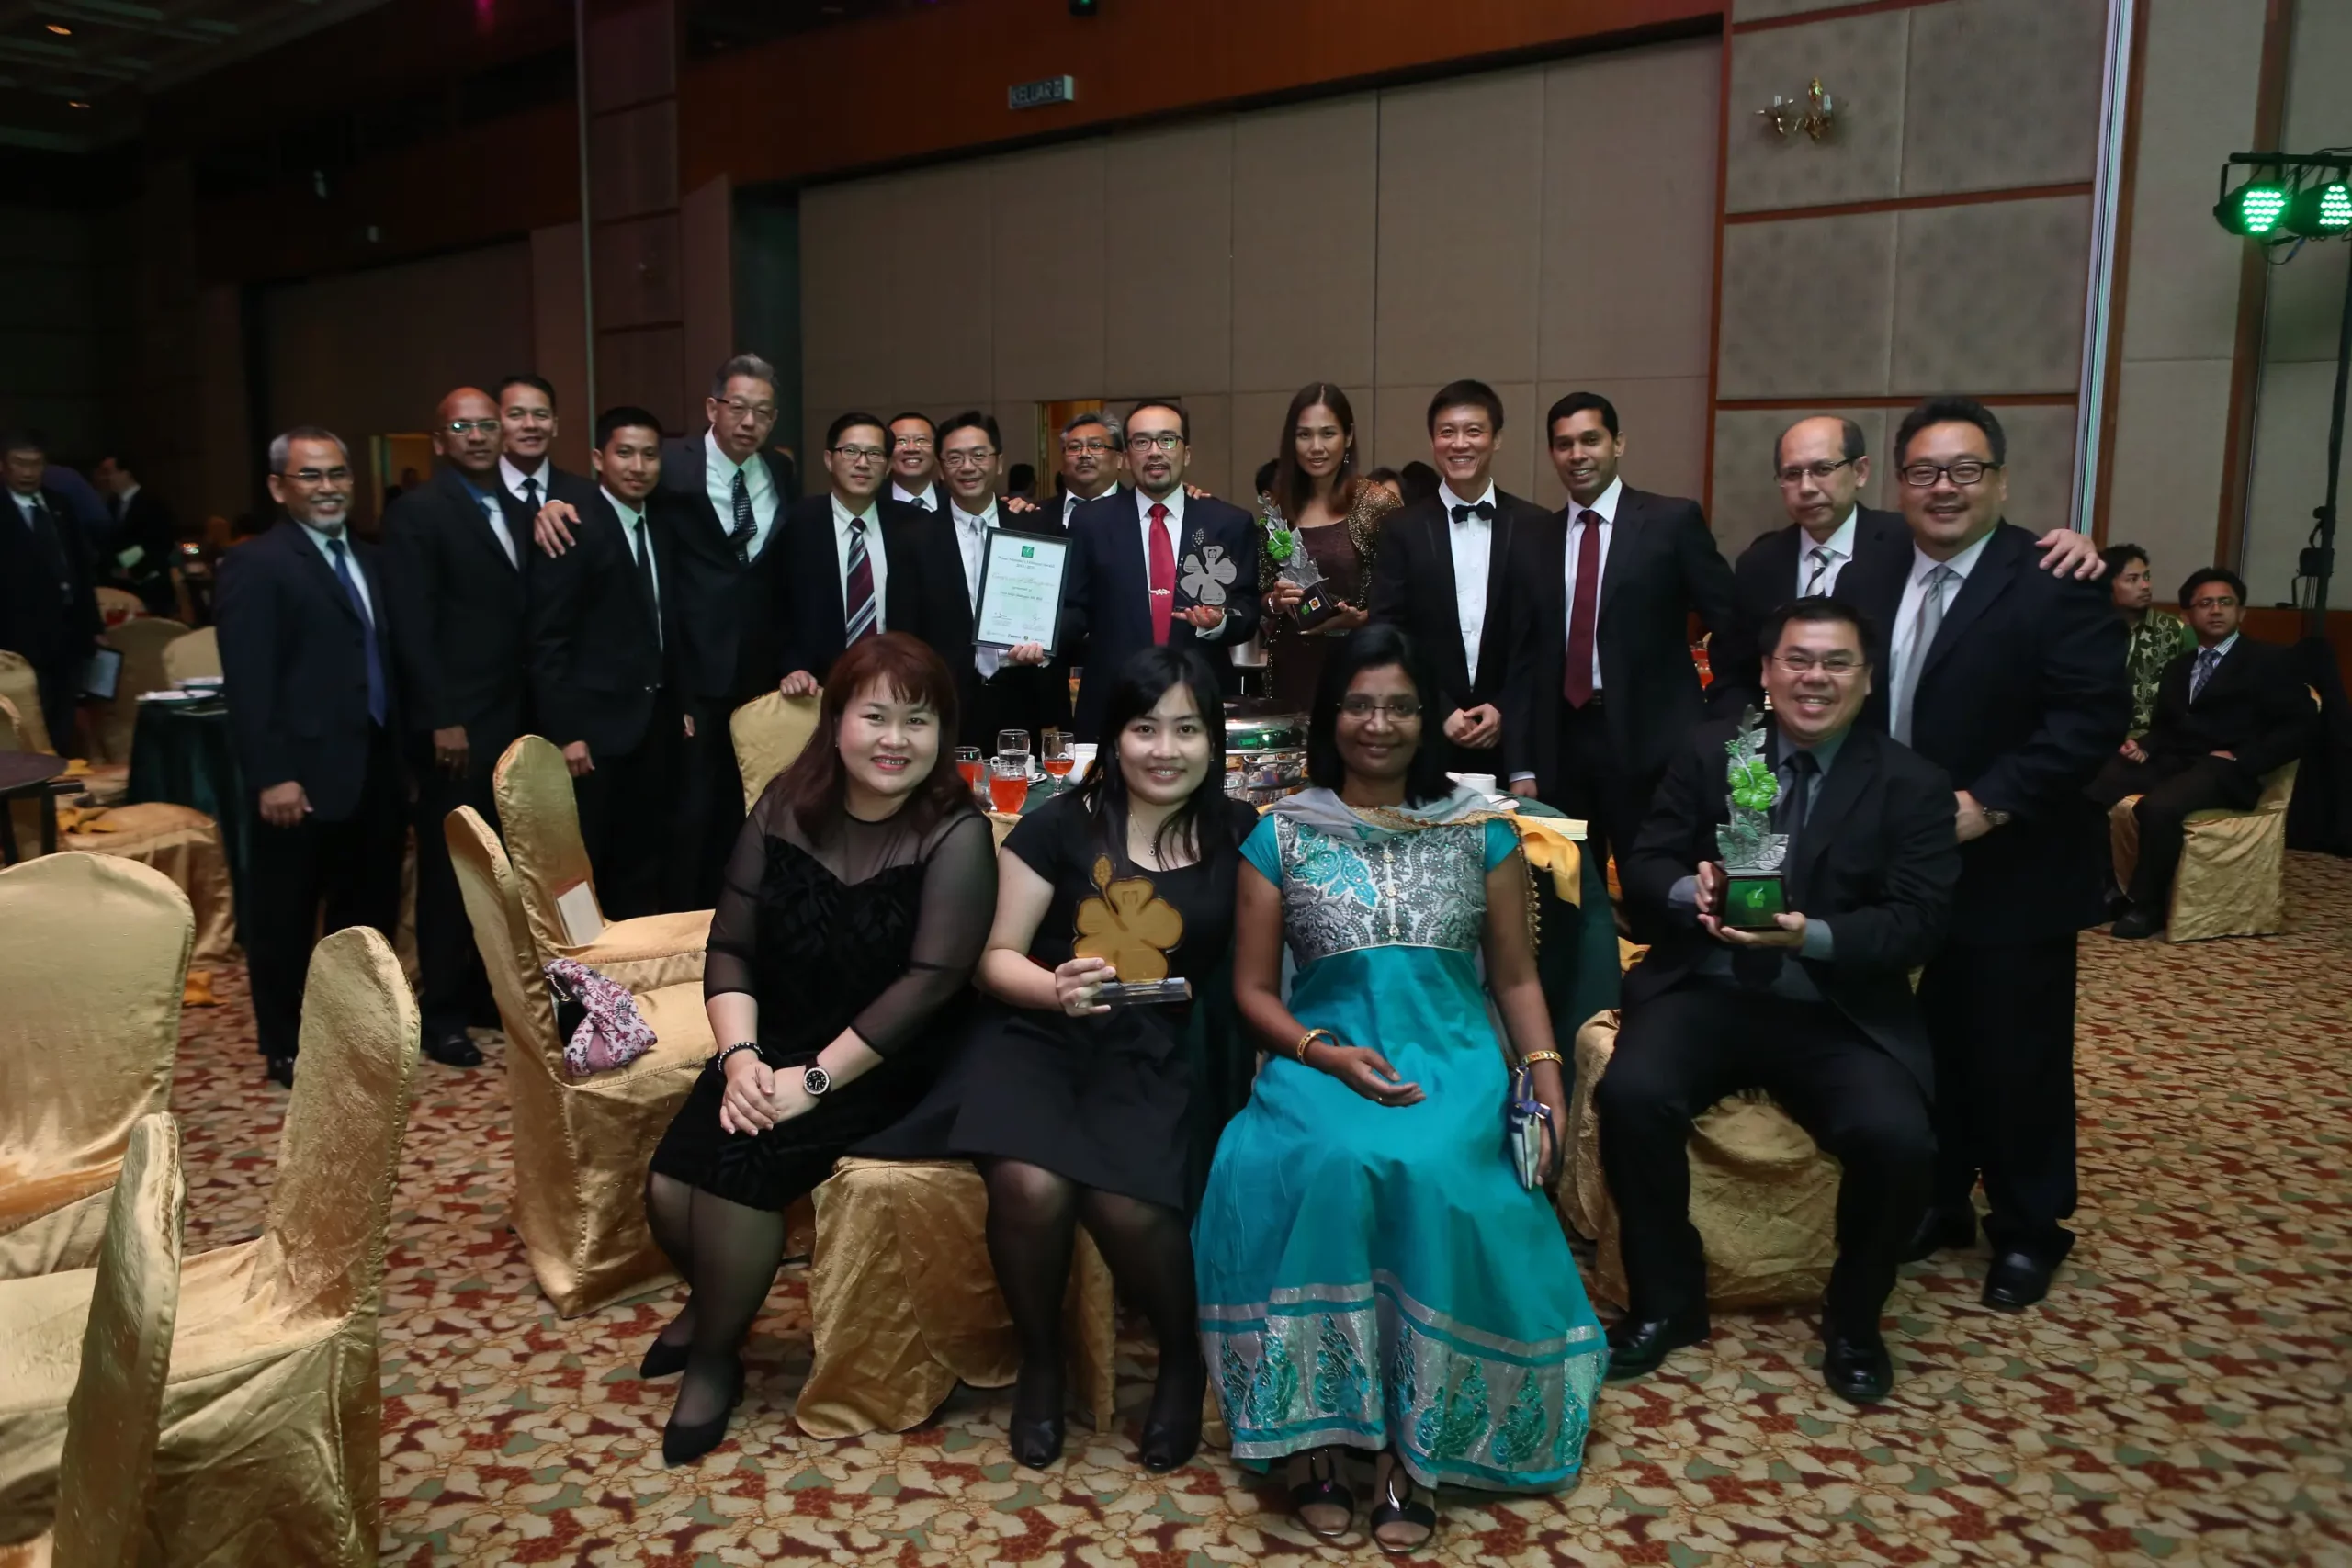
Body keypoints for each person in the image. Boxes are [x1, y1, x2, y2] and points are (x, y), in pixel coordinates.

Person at [1195, 624, 1603, 1553]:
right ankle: (1313, 1431)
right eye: (1358, 705)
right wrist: (1322, 1052)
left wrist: (1546, 1083)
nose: (1376, 724)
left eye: (1399, 707)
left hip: (1451, 1056)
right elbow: (1252, 992)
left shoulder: (1481, 831)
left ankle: (1413, 1446)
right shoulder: (1282, 833)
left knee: (1434, 1169)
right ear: (1330, 715)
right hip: (1322, 1056)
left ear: (1428, 719)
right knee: (1325, 1161)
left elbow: (1515, 979)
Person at [865, 645, 1258, 1472]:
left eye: (1187, 729)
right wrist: (1053, 988)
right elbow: (993, 957)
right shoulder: (1059, 822)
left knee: (1125, 1204)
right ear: (1113, 737)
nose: (1164, 749)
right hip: (1038, 1032)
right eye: (1144, 728)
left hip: (1154, 1047)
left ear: (1213, 741)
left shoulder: (1241, 834)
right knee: (1030, 1185)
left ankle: (1181, 1359)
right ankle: (1041, 1362)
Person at [638, 633, 995, 1465]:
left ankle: (717, 1354)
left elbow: (931, 984)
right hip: (777, 1038)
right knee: (667, 1184)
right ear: (836, 721)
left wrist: (816, 1079)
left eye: (918, 721)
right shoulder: (784, 805)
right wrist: (740, 1058)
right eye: (875, 716)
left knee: (737, 1176)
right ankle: (714, 1297)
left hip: (893, 1058)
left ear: (942, 734)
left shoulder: (955, 832)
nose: (895, 739)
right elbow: (732, 946)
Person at [1604, 597, 1960, 1403]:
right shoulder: (1709, 751)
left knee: (1899, 1137)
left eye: (1836, 662)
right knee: (1632, 1093)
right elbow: (1649, 857)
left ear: (1868, 678)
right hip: (1708, 984)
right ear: (1766, 673)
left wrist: (1814, 936)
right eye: (1797, 659)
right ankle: (1666, 1301)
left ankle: (1856, 1318)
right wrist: (1687, 889)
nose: (1815, 678)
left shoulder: (1913, 783)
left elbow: (1918, 923)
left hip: (1835, 1005)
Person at [1843, 396, 2126, 1312]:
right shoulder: (1874, 572)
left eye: (1965, 470)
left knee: (2015, 1053)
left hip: (2012, 860)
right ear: (1899, 485)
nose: (1944, 488)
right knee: (1922, 1041)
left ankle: (2029, 1227)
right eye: (1924, 471)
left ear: (2000, 481)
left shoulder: (2052, 577)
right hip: (1898, 863)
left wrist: (1989, 805)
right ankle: (1940, 1199)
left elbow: (2089, 718)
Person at [534, 353, 796, 908]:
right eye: (738, 407)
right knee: (676, 825)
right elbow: (609, 490)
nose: (749, 421)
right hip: (686, 678)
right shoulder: (668, 462)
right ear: (712, 408)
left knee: (738, 814)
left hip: (753, 673)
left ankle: (721, 922)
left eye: (763, 412)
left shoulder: (780, 470)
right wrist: (553, 503)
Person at [215, 428, 404, 1089]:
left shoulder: (374, 558)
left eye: (338, 474)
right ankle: (287, 1044)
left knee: (368, 912)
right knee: (286, 918)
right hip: (297, 777)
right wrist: (273, 774)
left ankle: (358, 1032)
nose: (328, 488)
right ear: (278, 487)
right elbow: (250, 682)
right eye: (311, 476)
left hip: (374, 768)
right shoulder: (256, 564)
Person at [1500, 391, 1740, 914]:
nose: (1577, 455)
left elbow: (1732, 623)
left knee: (1655, 896)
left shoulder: (1671, 521)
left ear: (1618, 443)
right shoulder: (1534, 538)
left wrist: (1716, 722)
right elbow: (1521, 660)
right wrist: (1519, 763)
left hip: (1654, 748)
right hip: (1562, 749)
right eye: (1563, 444)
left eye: (1590, 440)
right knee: (1565, 902)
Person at [1714, 417, 2105, 714]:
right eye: (1792, 474)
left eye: (1822, 469)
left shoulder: (1914, 539)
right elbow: (1737, 672)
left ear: (1860, 471)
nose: (1807, 487)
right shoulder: (1758, 562)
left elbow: (1991, 551)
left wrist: (2074, 543)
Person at [379, 387, 531, 1066]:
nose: (478, 435)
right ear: (440, 441)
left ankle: (477, 993)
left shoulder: (522, 507)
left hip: (514, 716)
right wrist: (441, 717)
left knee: (502, 868)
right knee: (450, 870)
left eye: (487, 424)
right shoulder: (417, 513)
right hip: (456, 724)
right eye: (462, 426)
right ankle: (440, 1013)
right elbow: (411, 625)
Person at [2094, 568, 2313, 939]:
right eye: (2205, 603)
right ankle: (2107, 888)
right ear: (2188, 616)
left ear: (2241, 612)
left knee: (2159, 807)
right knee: (2092, 785)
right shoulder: (2179, 667)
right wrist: (2144, 746)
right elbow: (2166, 726)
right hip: (2176, 762)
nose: (2216, 610)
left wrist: (2244, 758)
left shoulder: (2270, 660)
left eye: (2225, 602)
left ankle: (2147, 906)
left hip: (2229, 770)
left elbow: (2301, 726)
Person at [528, 406, 684, 920]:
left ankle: (631, 962)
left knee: (643, 860)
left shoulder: (662, 522)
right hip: (592, 733)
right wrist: (566, 732)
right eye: (625, 453)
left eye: (649, 455)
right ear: (599, 458)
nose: (637, 466)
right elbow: (549, 639)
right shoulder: (572, 526)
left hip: (653, 724)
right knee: (585, 863)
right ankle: (580, 971)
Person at [1365, 381, 1546, 775]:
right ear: (1433, 440)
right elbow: (1388, 631)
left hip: (1513, 741)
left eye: (1474, 431)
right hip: (1424, 736)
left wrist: (1504, 709)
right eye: (1447, 432)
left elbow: (1541, 637)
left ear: (1497, 439)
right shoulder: (1402, 529)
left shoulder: (1536, 526)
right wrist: (1439, 708)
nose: (1460, 443)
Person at [1059, 400, 1260, 740]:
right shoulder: (1090, 522)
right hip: (1114, 700)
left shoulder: (1227, 523)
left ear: (1187, 453)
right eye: (1142, 441)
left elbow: (1248, 610)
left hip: (1198, 698)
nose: (1155, 452)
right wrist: (1034, 636)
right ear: (1125, 457)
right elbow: (1073, 608)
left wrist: (1219, 622)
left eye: (1167, 440)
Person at [918, 411, 1067, 748]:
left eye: (978, 455)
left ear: (999, 463)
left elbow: (1067, 608)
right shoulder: (915, 539)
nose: (967, 467)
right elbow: (906, 628)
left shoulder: (1035, 529)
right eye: (955, 458)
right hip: (945, 702)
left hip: (1023, 697)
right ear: (941, 468)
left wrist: (1044, 649)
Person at [775, 412, 940, 697]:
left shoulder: (915, 525)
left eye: (874, 454)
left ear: (888, 466)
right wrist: (791, 668)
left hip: (900, 687)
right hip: (815, 690)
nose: (862, 463)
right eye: (851, 451)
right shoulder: (796, 524)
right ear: (829, 459)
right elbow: (774, 610)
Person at [1255, 384, 1396, 713]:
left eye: (1328, 433)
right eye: (1304, 435)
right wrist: (1276, 601)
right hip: (1292, 667)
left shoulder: (1377, 504)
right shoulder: (1278, 507)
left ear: (1348, 437)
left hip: (1359, 668)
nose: (1316, 447)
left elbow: (1405, 597)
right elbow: (1260, 594)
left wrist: (1361, 619)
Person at [0, 427, 101, 754]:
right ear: (3, 465)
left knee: (63, 722)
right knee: (28, 728)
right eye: (20, 463)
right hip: (17, 639)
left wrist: (93, 627)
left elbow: (80, 568)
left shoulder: (60, 505)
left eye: (36, 464)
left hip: (68, 637)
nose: (28, 472)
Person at [2107, 543, 2192, 749]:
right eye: (2132, 579)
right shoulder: (2090, 630)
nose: (2145, 586)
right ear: (2107, 584)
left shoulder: (2176, 630)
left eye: (2147, 577)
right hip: (2095, 735)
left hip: (2154, 741)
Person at [492, 374, 595, 525]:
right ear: (495, 424)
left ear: (555, 425)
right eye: (516, 415)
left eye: (541, 415)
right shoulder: (479, 491)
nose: (530, 425)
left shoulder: (588, 494)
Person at [88, 452, 180, 615]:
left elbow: (160, 542)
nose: (106, 478)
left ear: (126, 474)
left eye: (109, 472)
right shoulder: (112, 504)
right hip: (122, 587)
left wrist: (132, 567)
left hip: (150, 586)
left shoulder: (152, 502)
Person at [1049, 411, 1125, 527]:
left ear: (1119, 459)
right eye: (1074, 447)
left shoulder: (1142, 512)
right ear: (1062, 461)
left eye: (1096, 446)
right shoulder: (1034, 515)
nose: (1084, 454)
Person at [888, 411, 945, 513]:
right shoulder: (871, 505)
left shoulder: (956, 504)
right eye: (901, 440)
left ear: (936, 450)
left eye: (921, 440)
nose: (911, 448)